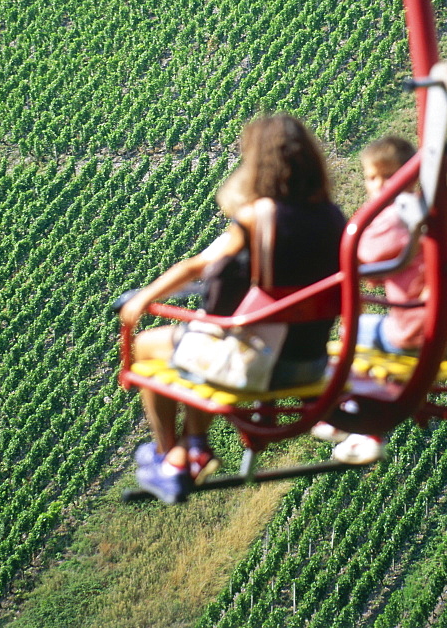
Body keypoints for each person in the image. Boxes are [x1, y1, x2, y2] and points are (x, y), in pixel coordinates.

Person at [120, 113, 346, 503]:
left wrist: (142, 299)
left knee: (146, 345)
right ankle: (193, 444)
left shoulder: (258, 217)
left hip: (260, 367)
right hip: (311, 363)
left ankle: (171, 454)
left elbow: (198, 266)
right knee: (202, 342)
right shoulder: (334, 217)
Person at [313, 134, 447, 463]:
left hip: (421, 336)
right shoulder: (433, 214)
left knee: (354, 331)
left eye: (388, 176)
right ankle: (367, 430)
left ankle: (354, 414)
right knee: (380, 332)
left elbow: (364, 265)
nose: (379, 185)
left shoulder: (391, 220)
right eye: (372, 177)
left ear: (410, 177)